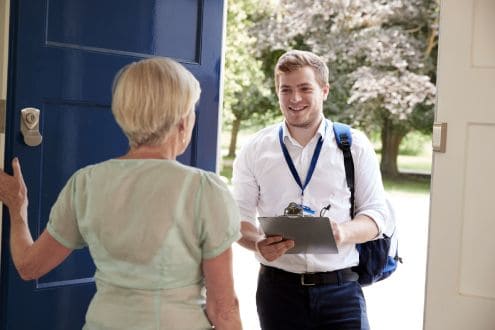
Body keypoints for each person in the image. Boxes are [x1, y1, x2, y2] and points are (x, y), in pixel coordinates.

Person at [0, 57, 242, 330]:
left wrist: (17, 207)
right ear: (183, 122)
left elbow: (28, 267)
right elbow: (223, 309)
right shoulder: (205, 190)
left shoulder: (86, 183)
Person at [232, 50, 393, 330]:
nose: (295, 99)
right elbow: (238, 220)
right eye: (286, 90)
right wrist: (256, 242)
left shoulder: (354, 145)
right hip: (277, 292)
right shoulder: (254, 149)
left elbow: (377, 215)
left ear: (325, 90)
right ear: (277, 92)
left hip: (341, 291)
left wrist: (343, 233)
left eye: (305, 88)